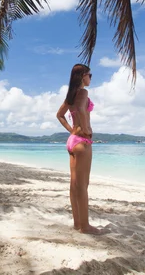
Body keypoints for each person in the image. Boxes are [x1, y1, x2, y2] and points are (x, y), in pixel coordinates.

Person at [56, 63, 101, 234]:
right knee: (83, 185)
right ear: (83, 76)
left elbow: (59, 115)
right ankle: (85, 226)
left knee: (74, 185)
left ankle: (77, 223)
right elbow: (82, 109)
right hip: (82, 141)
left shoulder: (71, 95)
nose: (91, 78)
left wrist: (71, 130)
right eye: (90, 75)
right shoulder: (83, 92)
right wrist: (87, 129)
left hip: (72, 140)